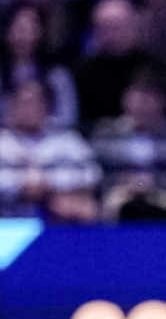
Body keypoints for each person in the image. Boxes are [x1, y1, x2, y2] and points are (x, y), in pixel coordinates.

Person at [89, 69, 166, 222]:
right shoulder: (105, 136)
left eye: (148, 97)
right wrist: (127, 185)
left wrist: (150, 186)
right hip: (118, 201)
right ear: (125, 98)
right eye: (136, 95)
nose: (141, 104)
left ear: (162, 101)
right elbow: (96, 177)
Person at [0, 79, 99, 221]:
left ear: (48, 106)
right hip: (7, 214)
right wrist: (20, 185)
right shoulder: (3, 142)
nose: (29, 109)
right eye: (23, 103)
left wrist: (51, 186)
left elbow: (92, 174)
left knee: (85, 206)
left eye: (35, 103)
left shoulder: (68, 140)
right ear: (11, 106)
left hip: (60, 211)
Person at [0, 2, 77, 129]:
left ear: (41, 32)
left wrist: (36, 124)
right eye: (18, 28)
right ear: (6, 31)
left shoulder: (57, 75)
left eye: (29, 29)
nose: (23, 36)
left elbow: (68, 117)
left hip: (50, 138)